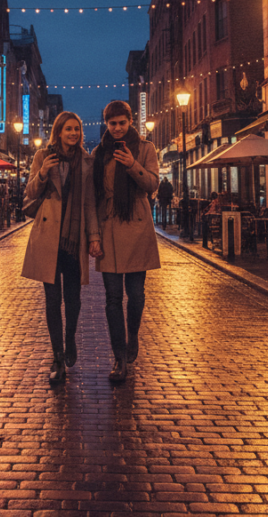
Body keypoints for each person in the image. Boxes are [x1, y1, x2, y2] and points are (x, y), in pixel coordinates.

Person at [21, 111, 100, 386]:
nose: (74, 133)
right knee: (53, 300)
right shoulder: (43, 156)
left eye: (77, 129)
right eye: (69, 129)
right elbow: (30, 193)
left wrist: (94, 236)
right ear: (58, 131)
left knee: (74, 299)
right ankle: (57, 356)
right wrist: (42, 173)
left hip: (74, 239)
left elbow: (89, 203)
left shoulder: (86, 162)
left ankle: (69, 340)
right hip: (49, 237)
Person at [92, 100, 160, 383]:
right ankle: (119, 356)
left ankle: (133, 337)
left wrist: (133, 165)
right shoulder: (99, 153)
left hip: (137, 225)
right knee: (112, 299)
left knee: (137, 295)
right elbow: (93, 198)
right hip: (108, 227)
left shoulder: (145, 148)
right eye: (112, 124)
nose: (117, 128)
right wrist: (93, 235)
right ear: (106, 124)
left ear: (131, 121)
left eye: (122, 122)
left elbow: (152, 184)